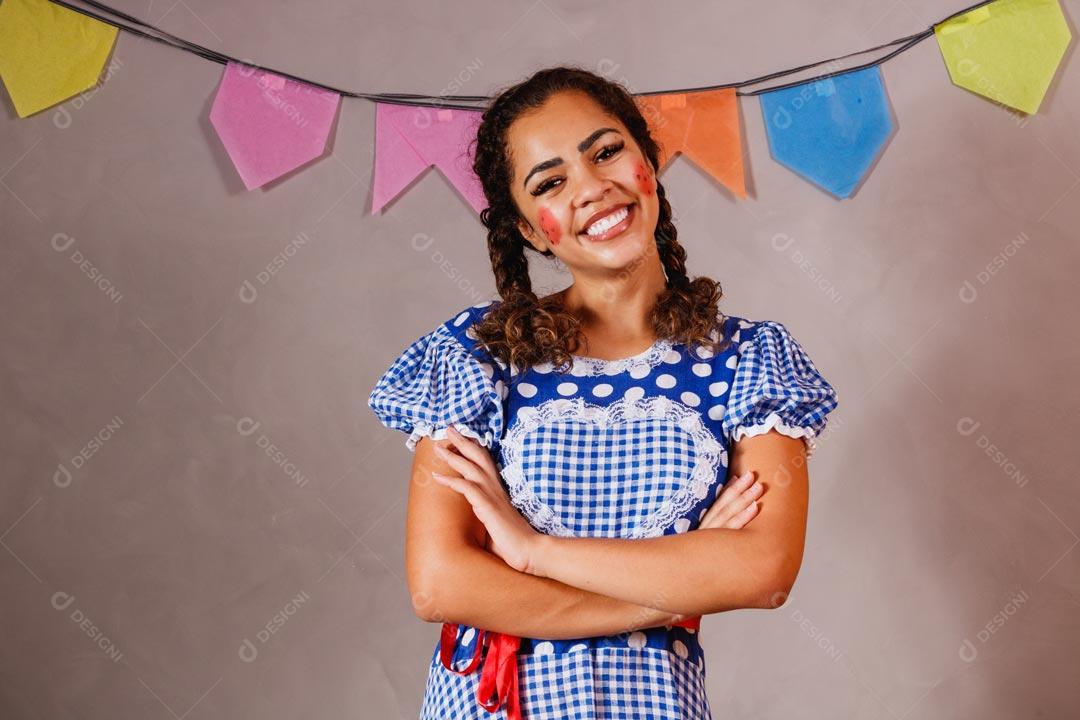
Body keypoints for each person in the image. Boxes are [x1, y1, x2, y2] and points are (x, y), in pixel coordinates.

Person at [367, 66, 839, 720]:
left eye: (607, 151)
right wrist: (670, 592)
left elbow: (762, 570)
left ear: (648, 161)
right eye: (551, 182)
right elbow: (441, 583)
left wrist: (533, 553)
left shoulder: (750, 361)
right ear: (531, 228)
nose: (592, 187)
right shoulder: (477, 356)